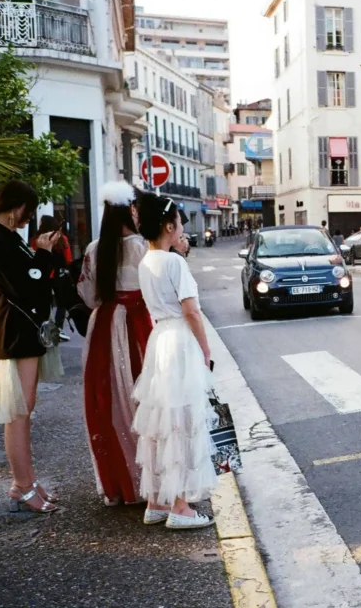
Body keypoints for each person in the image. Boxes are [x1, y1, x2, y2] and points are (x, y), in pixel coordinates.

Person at [132, 192, 218, 529]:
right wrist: (206, 351)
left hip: (159, 340)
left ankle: (156, 501)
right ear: (170, 225)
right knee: (183, 420)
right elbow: (192, 311)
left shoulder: (146, 261)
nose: (182, 227)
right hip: (180, 340)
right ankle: (181, 507)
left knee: (160, 422)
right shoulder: (174, 262)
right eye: (180, 222)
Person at [0, 181, 64, 514]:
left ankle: (27, 481)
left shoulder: (7, 240)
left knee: (23, 410)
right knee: (18, 413)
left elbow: (33, 280)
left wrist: (40, 255)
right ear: (17, 207)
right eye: (27, 212)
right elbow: (27, 285)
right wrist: (43, 254)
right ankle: (21, 485)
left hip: (23, 333)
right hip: (15, 334)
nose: (27, 219)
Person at [78, 181, 152, 507]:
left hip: (104, 328)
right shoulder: (143, 247)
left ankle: (120, 482)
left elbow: (88, 295)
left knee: (107, 401)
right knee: (145, 399)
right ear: (130, 210)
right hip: (138, 326)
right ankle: (150, 480)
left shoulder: (95, 249)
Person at [31, 215, 73, 341]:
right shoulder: (62, 239)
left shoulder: (37, 239)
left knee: (45, 302)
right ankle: (59, 328)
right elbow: (68, 258)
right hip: (59, 274)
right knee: (61, 302)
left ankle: (45, 326)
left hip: (45, 273)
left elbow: (35, 254)